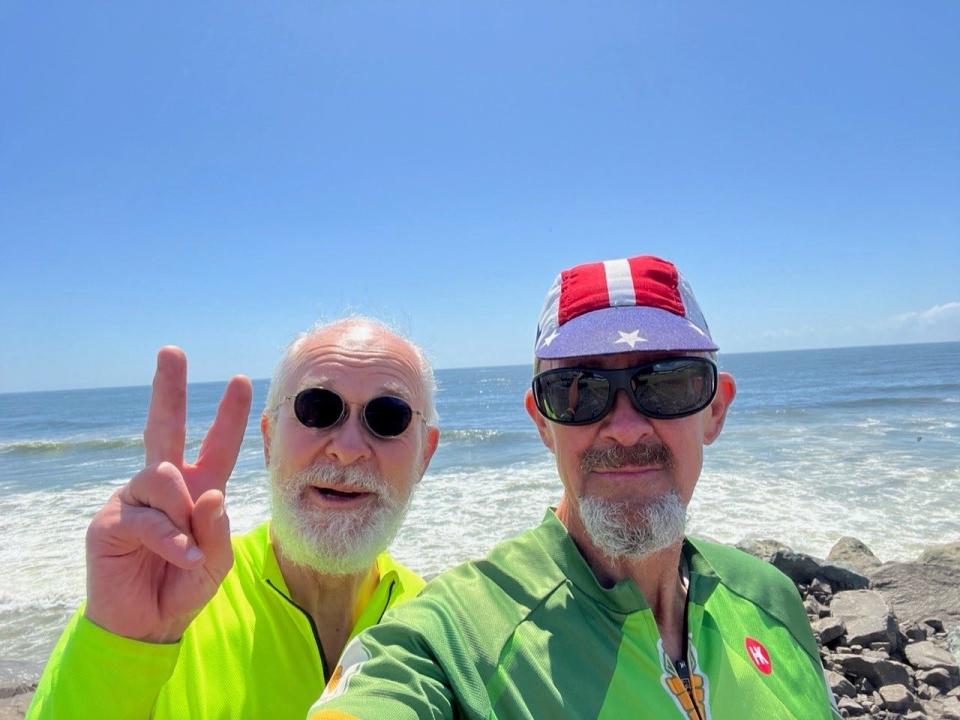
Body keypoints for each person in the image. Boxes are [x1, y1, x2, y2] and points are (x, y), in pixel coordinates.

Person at [309, 256, 839, 719]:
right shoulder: (458, 638)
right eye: (578, 391)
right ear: (543, 423)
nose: (626, 428)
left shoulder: (772, 599)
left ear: (715, 410)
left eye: (668, 383)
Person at [28, 317, 440, 719]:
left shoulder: (435, 624)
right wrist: (125, 649)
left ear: (424, 454)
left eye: (389, 417)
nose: (349, 448)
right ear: (268, 439)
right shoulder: (168, 595)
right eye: (317, 408)